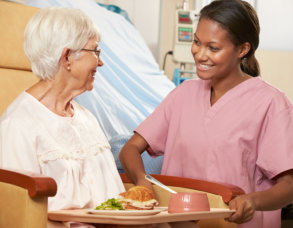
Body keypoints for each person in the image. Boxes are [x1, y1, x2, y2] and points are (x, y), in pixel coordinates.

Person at [119, 0, 293, 227]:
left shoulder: (271, 103)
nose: (200, 55)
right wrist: (143, 181)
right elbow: (130, 149)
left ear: (243, 49)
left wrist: (253, 201)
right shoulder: (183, 95)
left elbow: (288, 185)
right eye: (196, 42)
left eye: (213, 48)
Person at [0, 7, 125, 227]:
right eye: (95, 52)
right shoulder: (17, 126)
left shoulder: (87, 119)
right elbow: (20, 214)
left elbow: (117, 201)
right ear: (67, 56)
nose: (101, 62)